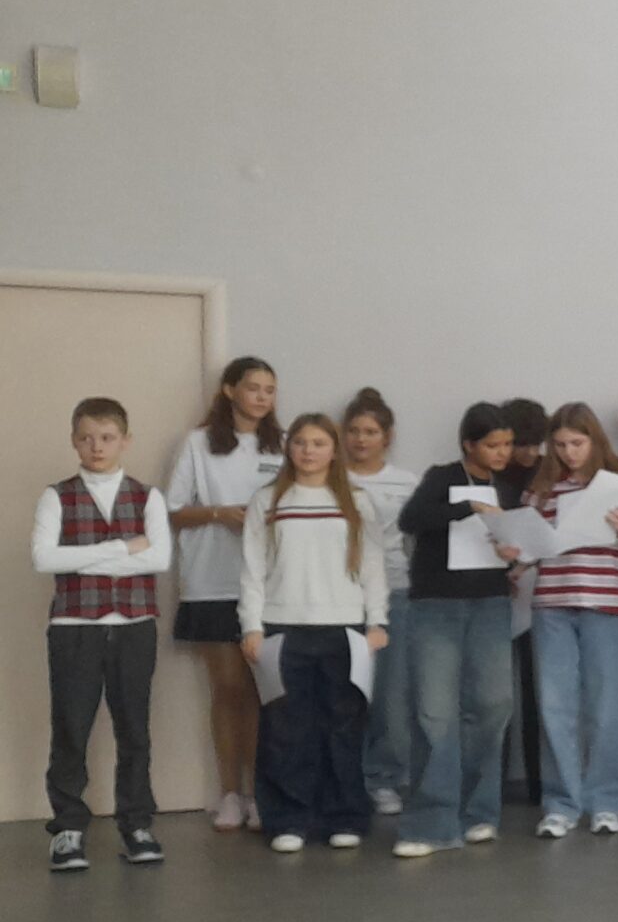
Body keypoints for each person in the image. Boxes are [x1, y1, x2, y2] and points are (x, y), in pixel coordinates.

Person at [239, 414, 389, 854]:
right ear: (289, 448)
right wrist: (251, 626)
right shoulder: (267, 500)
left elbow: (373, 567)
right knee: (285, 728)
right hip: (282, 627)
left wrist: (377, 621)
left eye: (319, 443)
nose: (308, 451)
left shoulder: (356, 501)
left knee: (343, 726)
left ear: (333, 449)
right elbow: (252, 569)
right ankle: (289, 819)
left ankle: (344, 817)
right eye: (301, 442)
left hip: (344, 628)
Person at [37, 397, 171, 871]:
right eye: (87, 438)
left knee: (134, 730)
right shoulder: (57, 496)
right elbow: (45, 558)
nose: (97, 447)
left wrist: (83, 557)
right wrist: (123, 549)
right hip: (74, 628)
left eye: (107, 437)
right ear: (74, 441)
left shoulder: (148, 496)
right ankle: (68, 828)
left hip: (134, 627)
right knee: (71, 729)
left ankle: (136, 824)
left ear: (125, 441)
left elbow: (159, 558)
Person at [393, 405, 523, 859]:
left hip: (490, 602)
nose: (501, 452)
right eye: (492, 445)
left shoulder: (509, 487)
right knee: (435, 711)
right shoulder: (442, 477)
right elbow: (411, 519)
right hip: (437, 605)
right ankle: (430, 822)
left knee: (493, 705)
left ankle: (479, 812)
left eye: (507, 444)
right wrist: (467, 506)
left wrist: (514, 554)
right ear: (469, 444)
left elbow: (519, 541)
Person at [166, 356, 284, 832]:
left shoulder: (283, 443)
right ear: (230, 390)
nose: (262, 397)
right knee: (229, 688)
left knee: (262, 692)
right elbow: (172, 510)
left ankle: (259, 793)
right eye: (253, 387)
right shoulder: (199, 443)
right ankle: (230, 793)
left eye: (269, 390)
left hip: (268, 585)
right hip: (212, 581)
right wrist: (219, 514)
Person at [527, 404, 618, 838]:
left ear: (595, 440)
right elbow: (532, 551)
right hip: (552, 604)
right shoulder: (542, 490)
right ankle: (561, 803)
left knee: (606, 706)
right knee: (555, 706)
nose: (569, 452)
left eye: (577, 443)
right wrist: (515, 553)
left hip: (606, 605)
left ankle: (605, 801)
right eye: (560, 445)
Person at [342, 389, 420, 816]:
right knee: (345, 690)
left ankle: (384, 777)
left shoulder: (407, 483)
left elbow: (418, 541)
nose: (361, 439)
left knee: (391, 691)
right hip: (340, 596)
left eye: (370, 432)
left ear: (386, 437)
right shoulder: (330, 478)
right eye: (354, 430)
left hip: (395, 593)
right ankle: (343, 778)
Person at [496, 398, 548, 800]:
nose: (529, 453)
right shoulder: (491, 476)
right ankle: (492, 782)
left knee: (539, 692)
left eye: (535, 445)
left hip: (539, 589)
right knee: (495, 695)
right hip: (497, 588)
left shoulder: (548, 473)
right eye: (521, 445)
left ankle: (539, 783)